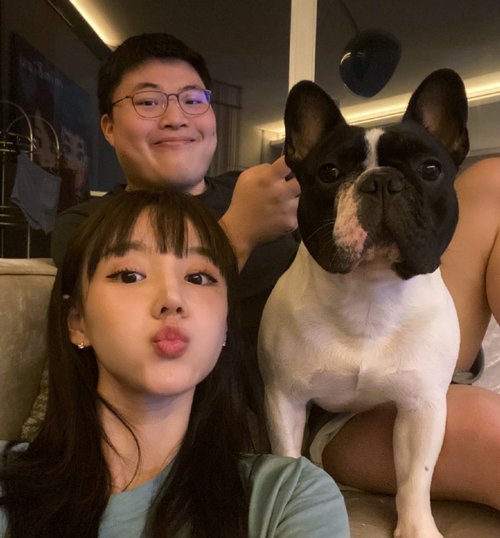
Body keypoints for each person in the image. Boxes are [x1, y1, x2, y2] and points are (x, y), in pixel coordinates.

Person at [51, 32, 500, 510]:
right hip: (322, 397)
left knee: (493, 178)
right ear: (108, 126)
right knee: (488, 429)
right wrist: (239, 230)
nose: (175, 115)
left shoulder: (265, 185)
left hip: (408, 324)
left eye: (192, 99)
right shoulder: (93, 224)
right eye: (148, 101)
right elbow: (154, 312)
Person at [0, 189, 349, 538]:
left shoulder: (289, 497)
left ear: (225, 326)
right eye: (129, 275)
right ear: (77, 321)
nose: (172, 298)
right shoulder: (9, 482)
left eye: (198, 277)